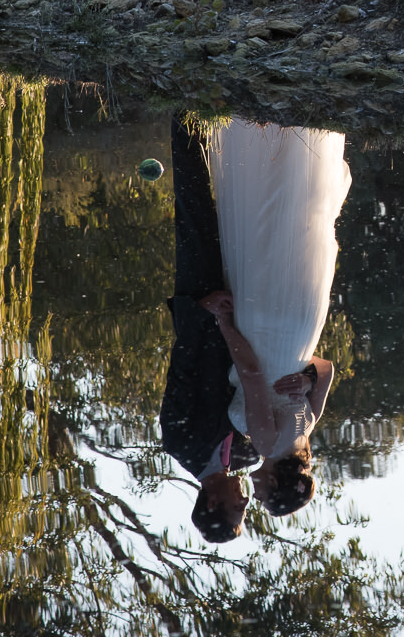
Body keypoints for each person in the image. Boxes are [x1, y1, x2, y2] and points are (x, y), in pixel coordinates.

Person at [198, 121, 355, 517]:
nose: (256, 495)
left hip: (301, 326)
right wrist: (225, 324)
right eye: (264, 498)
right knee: (261, 230)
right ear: (274, 483)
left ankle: (296, 143)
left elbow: (328, 368)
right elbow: (251, 377)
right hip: (261, 329)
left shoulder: (307, 427)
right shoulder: (267, 444)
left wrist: (305, 378)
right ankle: (260, 137)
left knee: (293, 229)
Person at [159, 115, 260, 543]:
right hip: (248, 315)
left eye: (238, 508)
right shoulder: (250, 453)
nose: (246, 501)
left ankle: (184, 115)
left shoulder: (181, 446)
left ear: (213, 503)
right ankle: (246, 130)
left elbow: (180, 373)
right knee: (247, 219)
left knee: (195, 208)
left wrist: (203, 311)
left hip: (204, 305)